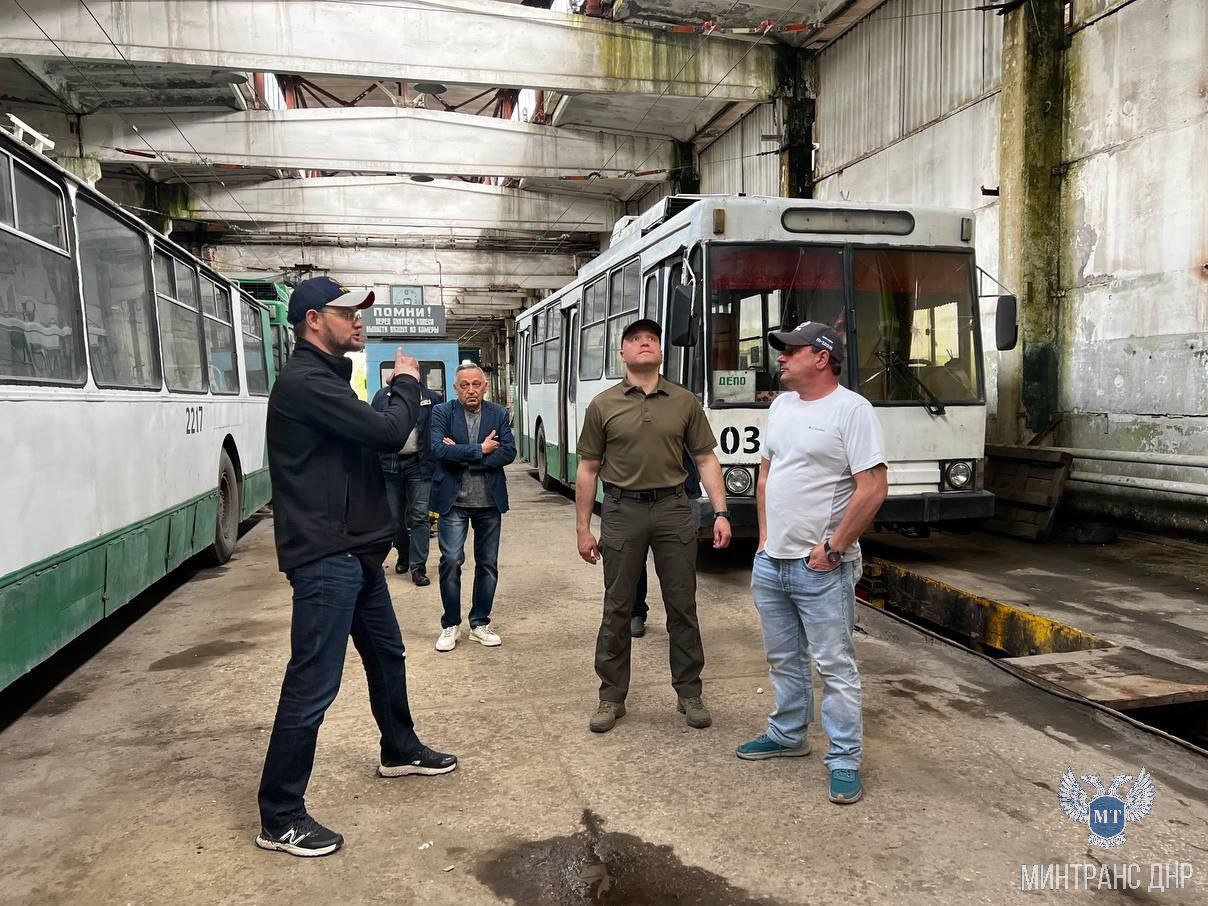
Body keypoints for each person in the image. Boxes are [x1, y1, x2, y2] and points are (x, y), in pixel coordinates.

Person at [256, 277, 456, 858]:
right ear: (315, 320)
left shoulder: (327, 380)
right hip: (325, 556)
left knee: (387, 655)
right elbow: (391, 434)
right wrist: (404, 384)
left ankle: (399, 748)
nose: (359, 320)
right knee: (313, 683)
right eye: (349, 313)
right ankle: (280, 814)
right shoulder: (305, 382)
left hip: (356, 551)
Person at [739, 321, 888, 806]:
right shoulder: (780, 406)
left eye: (790, 351)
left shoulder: (852, 410)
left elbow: (873, 488)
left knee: (835, 666)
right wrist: (763, 538)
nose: (780, 357)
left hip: (821, 568)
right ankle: (787, 734)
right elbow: (766, 473)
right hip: (773, 562)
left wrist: (834, 548)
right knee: (784, 659)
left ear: (821, 358)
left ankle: (844, 759)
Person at [575, 318, 732, 734]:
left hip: (673, 509)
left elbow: (705, 459)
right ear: (623, 354)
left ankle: (689, 692)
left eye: (652, 340)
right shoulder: (603, 405)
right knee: (617, 607)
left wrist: (721, 511)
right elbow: (588, 469)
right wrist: (582, 529)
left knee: (682, 604)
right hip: (622, 512)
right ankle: (611, 697)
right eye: (635, 340)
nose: (645, 344)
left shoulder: (683, 401)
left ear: (661, 353)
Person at [428, 362, 516, 651]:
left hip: (489, 502)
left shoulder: (498, 413)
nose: (471, 390)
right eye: (464, 385)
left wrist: (462, 454)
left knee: (487, 564)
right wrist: (480, 449)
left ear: (485, 386)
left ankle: (480, 623)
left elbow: (508, 452)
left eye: (476, 384)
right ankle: (450, 624)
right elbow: (438, 450)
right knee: (451, 560)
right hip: (453, 502)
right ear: (456, 389)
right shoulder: (442, 412)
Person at [371, 372, 442, 585]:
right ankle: (403, 552)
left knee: (420, 516)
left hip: (420, 465)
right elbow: (374, 429)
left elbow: (439, 429)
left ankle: (417, 567)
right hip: (390, 464)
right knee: (394, 519)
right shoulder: (382, 397)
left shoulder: (431, 398)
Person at [630, 451, 702, 639]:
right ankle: (636, 611)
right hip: (632, 493)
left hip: (676, 492)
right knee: (634, 558)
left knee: (678, 569)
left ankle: (679, 623)